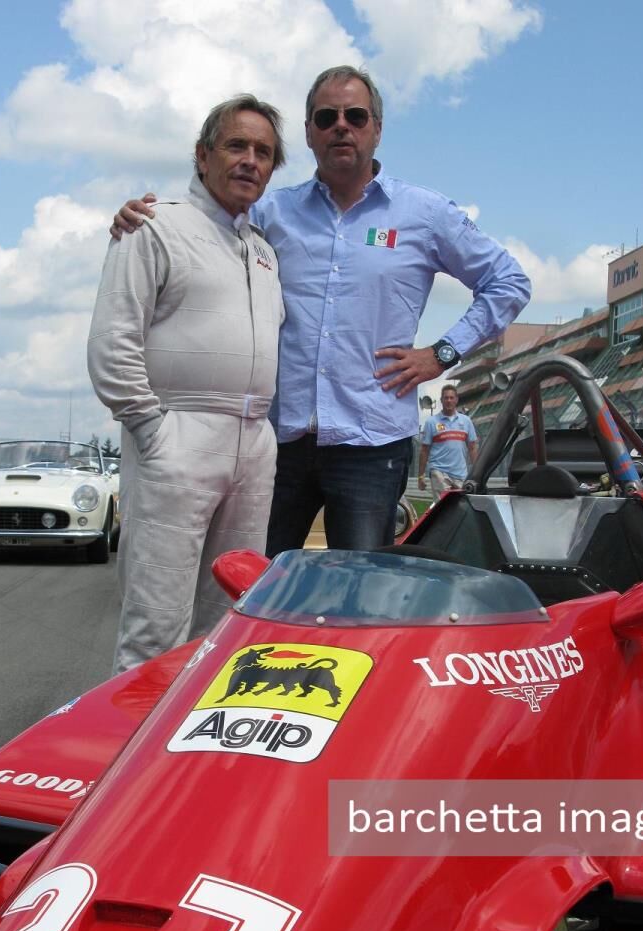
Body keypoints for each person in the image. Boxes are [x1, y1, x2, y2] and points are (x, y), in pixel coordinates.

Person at [111, 65, 531, 554]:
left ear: (377, 128)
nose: (341, 126)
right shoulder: (272, 212)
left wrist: (441, 353)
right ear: (309, 133)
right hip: (277, 442)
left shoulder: (425, 214)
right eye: (325, 117)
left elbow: (508, 282)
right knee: (254, 585)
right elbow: (204, 225)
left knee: (357, 597)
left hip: (371, 445)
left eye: (355, 115)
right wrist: (148, 218)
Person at [88, 95, 285, 675]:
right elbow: (113, 338)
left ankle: (200, 759)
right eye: (236, 146)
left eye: (265, 153)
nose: (250, 160)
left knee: (231, 616)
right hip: (179, 430)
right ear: (202, 156)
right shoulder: (154, 225)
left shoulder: (263, 252)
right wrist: (151, 430)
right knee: (157, 620)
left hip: (254, 438)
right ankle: (135, 760)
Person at [418, 384, 478, 496]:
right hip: (439, 471)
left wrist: (477, 473)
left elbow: (473, 447)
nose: (449, 401)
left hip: (461, 474)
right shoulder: (431, 422)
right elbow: (424, 450)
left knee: (461, 507)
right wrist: (421, 475)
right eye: (446, 398)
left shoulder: (466, 421)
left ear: (456, 400)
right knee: (442, 506)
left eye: (451, 398)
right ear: (441, 400)